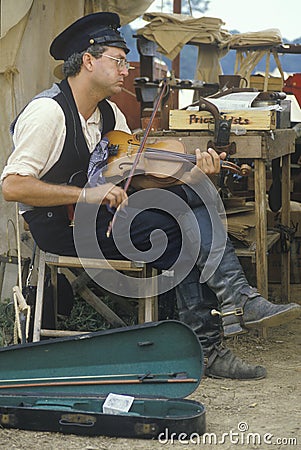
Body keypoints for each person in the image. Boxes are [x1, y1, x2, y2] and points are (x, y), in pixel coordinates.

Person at [1, 12, 300, 380]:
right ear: (89, 60)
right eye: (118, 60)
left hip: (107, 219)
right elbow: (12, 186)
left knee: (188, 200)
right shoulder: (48, 113)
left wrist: (193, 171)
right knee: (179, 227)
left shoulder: (110, 115)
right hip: (60, 225)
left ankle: (229, 310)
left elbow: (137, 177)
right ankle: (222, 325)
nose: (125, 69)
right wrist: (87, 194)